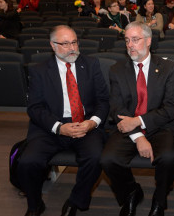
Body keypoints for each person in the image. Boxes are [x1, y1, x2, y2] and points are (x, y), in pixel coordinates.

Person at [17, 25, 110, 216]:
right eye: (65, 43)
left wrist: (92, 122)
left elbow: (103, 100)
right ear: (53, 45)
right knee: (27, 161)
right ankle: (35, 205)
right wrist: (59, 128)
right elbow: (35, 108)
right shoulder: (39, 71)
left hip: (86, 125)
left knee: (95, 157)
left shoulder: (91, 64)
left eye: (74, 42)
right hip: (51, 127)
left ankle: (77, 200)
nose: (72, 48)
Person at [100, 21, 174, 216]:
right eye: (127, 40)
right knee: (108, 159)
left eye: (135, 40)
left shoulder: (168, 68)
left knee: (169, 158)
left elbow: (170, 108)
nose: (130, 45)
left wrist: (139, 121)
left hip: (161, 126)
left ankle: (159, 200)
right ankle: (130, 193)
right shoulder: (117, 70)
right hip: (127, 126)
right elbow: (117, 108)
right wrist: (138, 136)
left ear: (148, 41)